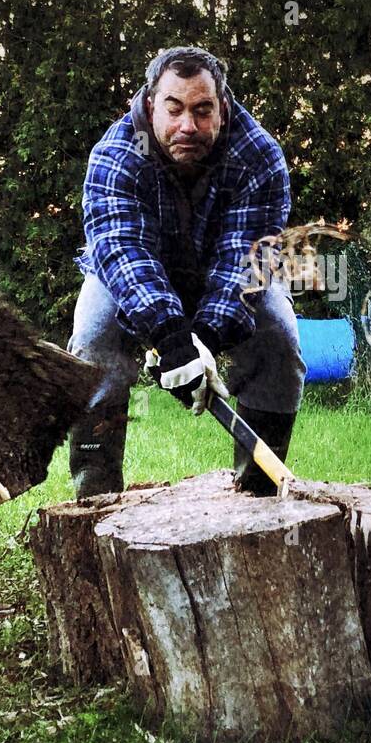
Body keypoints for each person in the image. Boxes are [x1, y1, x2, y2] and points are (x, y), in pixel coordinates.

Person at [67, 45, 305, 497]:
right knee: (94, 338)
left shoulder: (259, 156)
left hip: (226, 276)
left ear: (224, 106)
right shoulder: (115, 155)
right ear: (152, 103)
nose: (187, 126)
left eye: (202, 111)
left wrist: (208, 339)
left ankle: (257, 497)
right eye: (174, 109)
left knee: (280, 337)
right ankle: (93, 500)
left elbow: (247, 258)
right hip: (132, 275)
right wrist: (172, 339)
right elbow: (123, 253)